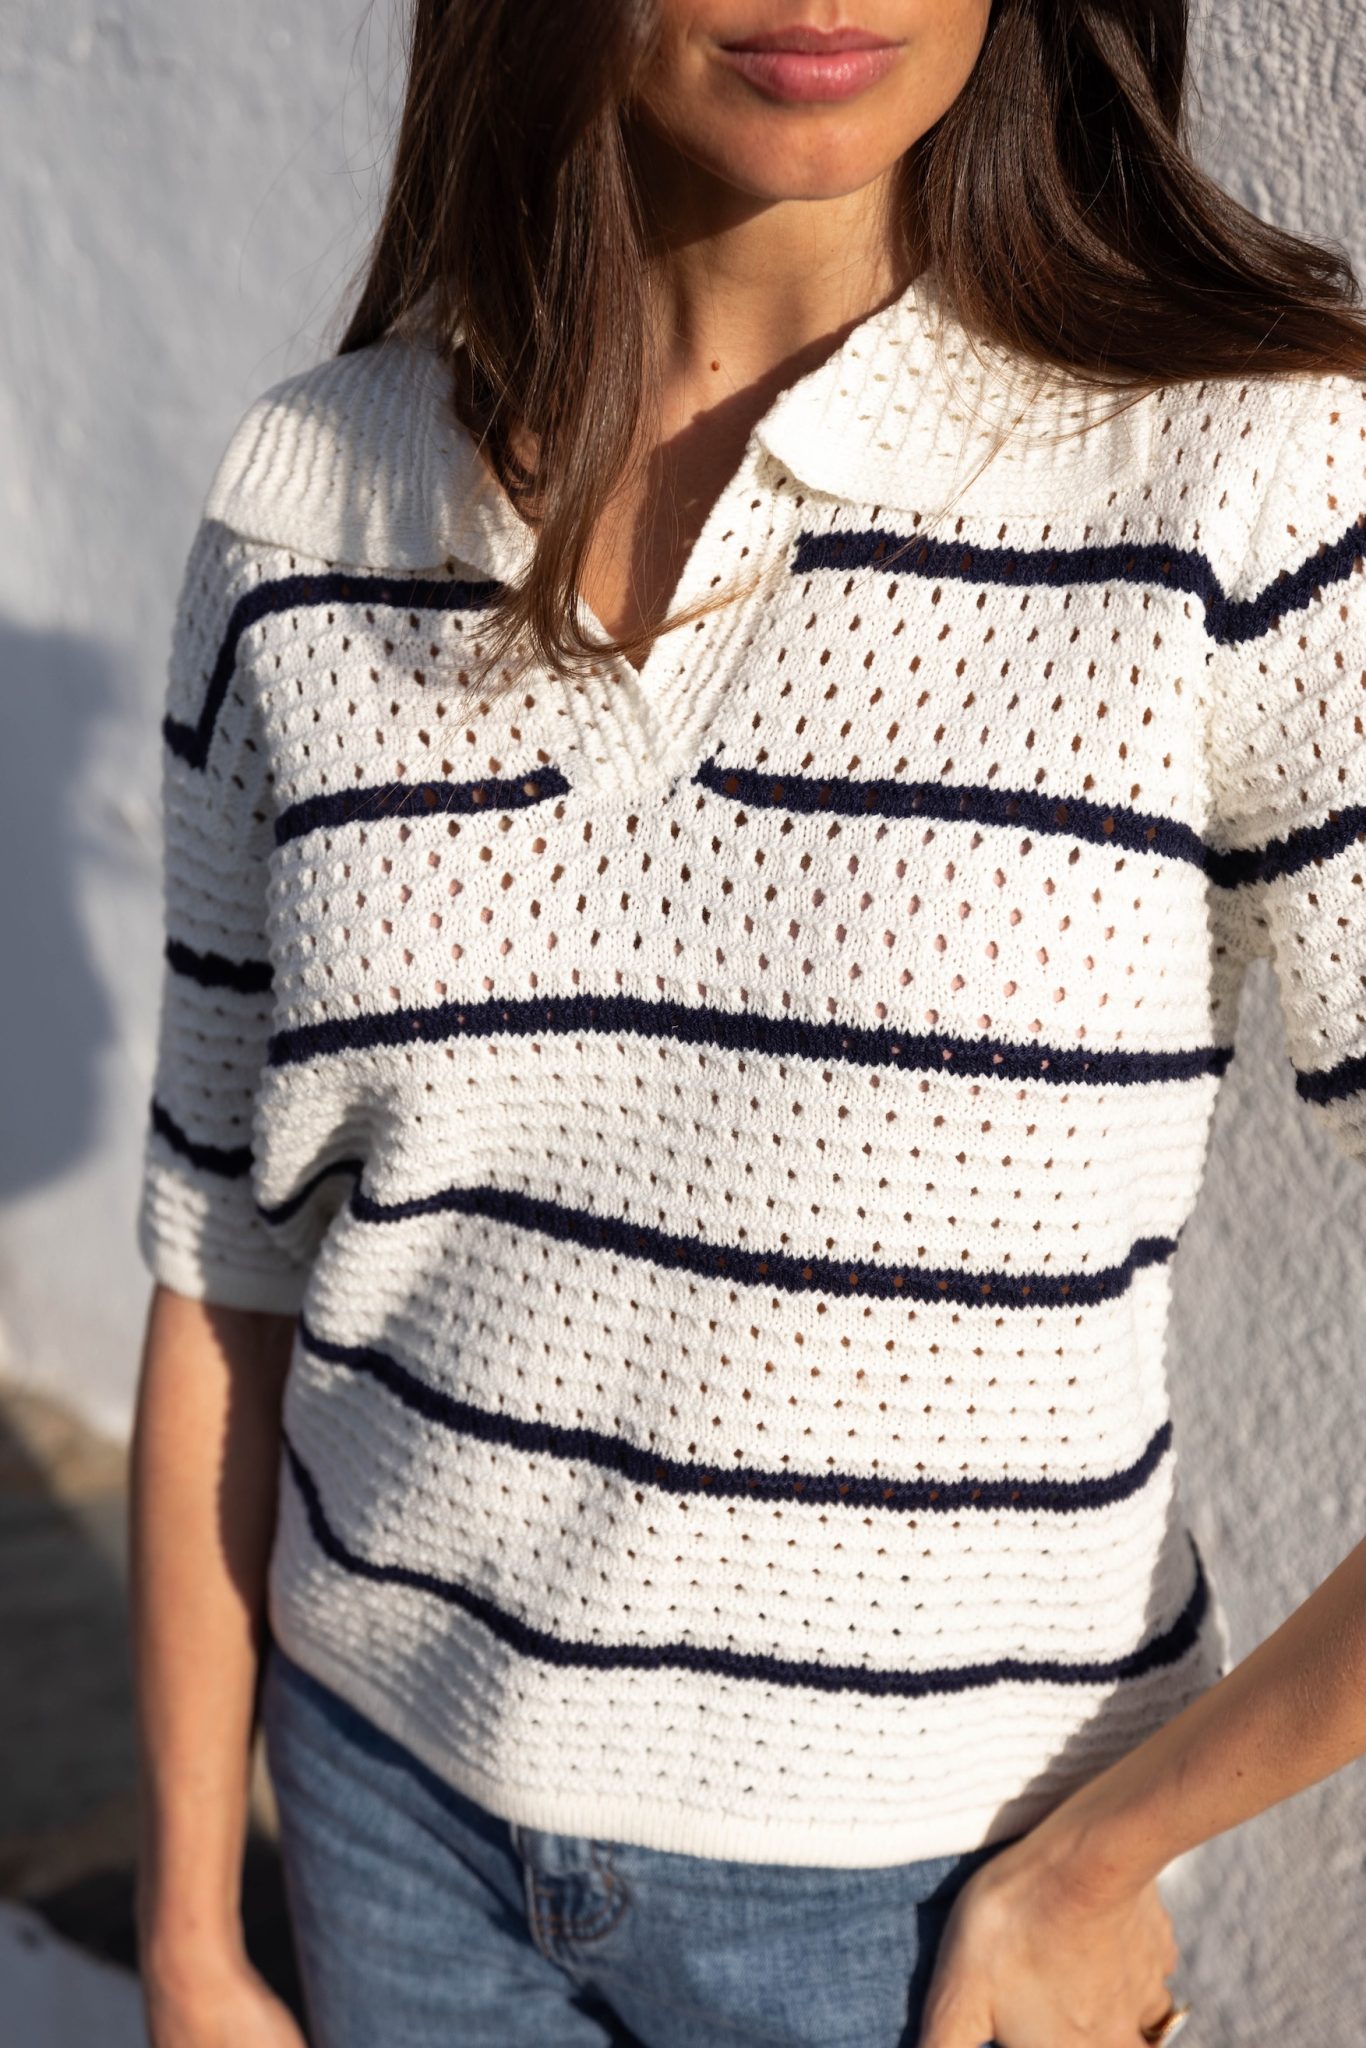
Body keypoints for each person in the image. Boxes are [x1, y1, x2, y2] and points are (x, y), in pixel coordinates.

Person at [128, 4, 1366, 2045]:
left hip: (929, 1906)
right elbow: (221, 1253)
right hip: (381, 1822)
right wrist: (191, 1925)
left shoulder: (1247, 480)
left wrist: (1097, 1861)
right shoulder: (312, 505)